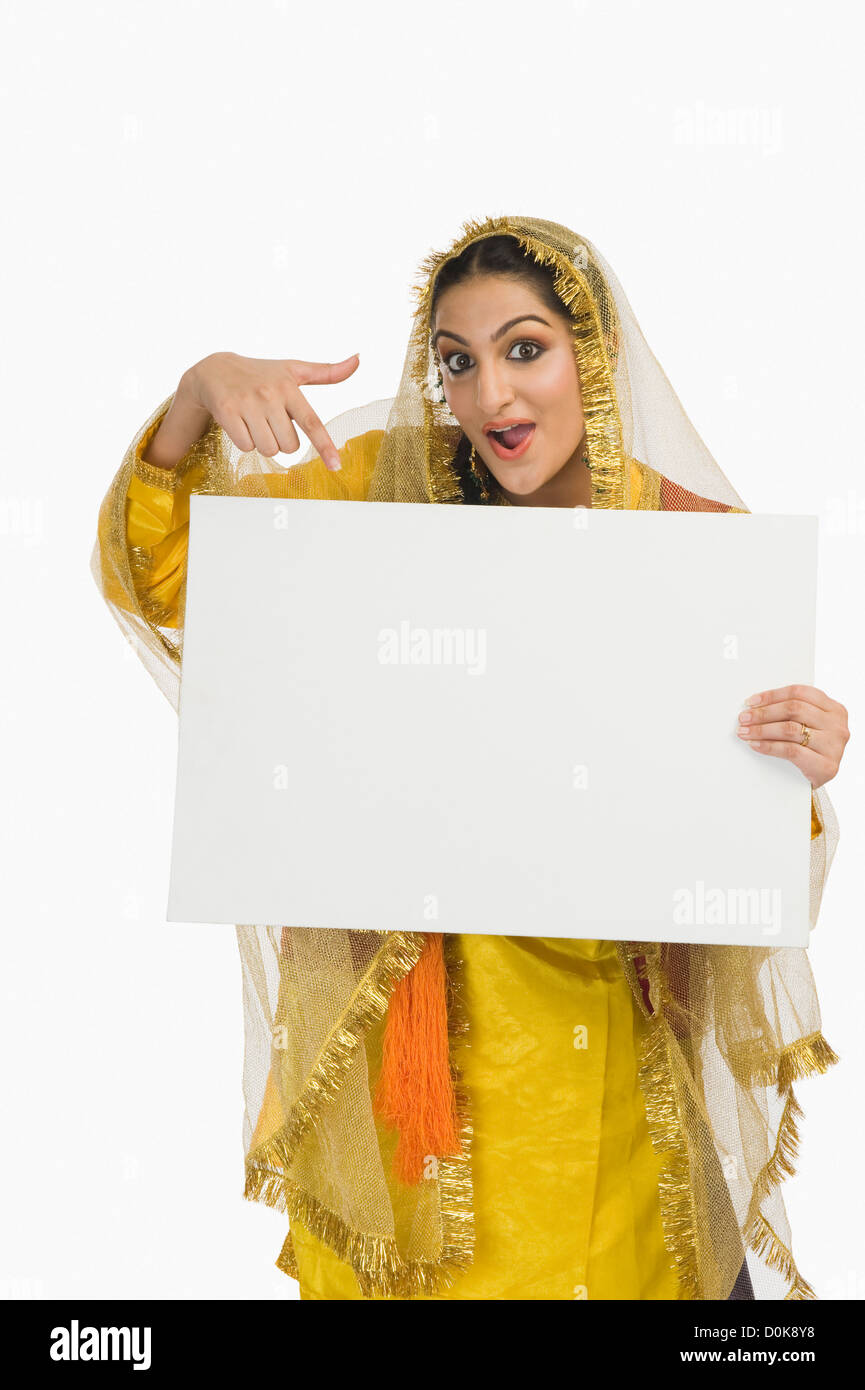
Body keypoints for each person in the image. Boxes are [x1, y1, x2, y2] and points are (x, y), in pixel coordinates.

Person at [92, 214, 848, 1301]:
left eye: (524, 349)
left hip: (612, 1099)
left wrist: (796, 769)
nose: (489, 395)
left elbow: (733, 863)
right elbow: (156, 577)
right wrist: (195, 395)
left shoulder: (693, 546)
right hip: (421, 1100)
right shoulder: (376, 500)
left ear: (593, 353)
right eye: (457, 360)